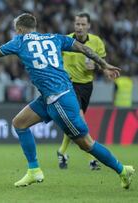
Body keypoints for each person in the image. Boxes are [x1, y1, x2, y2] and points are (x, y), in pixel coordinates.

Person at [0, 13, 134, 189]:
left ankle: (122, 170)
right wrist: (104, 65)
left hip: (60, 98)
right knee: (19, 123)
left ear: (19, 29)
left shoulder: (19, 41)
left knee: (86, 143)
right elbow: (84, 49)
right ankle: (34, 170)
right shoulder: (55, 38)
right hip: (49, 97)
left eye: (15, 29)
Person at [57, 13, 112, 170]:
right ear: (74, 25)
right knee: (79, 120)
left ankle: (61, 152)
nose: (79, 27)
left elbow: (102, 64)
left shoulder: (96, 42)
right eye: (77, 24)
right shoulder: (65, 40)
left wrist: (98, 68)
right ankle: (92, 159)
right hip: (69, 85)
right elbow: (56, 59)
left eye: (82, 24)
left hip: (87, 86)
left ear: (88, 26)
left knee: (74, 123)